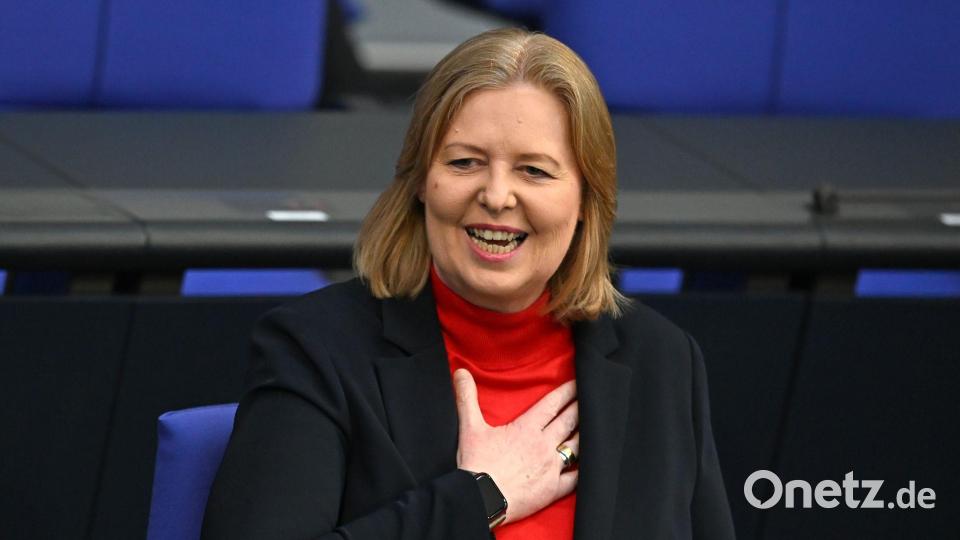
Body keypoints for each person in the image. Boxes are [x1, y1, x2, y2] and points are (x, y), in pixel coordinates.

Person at [202, 28, 735, 540]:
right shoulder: (316, 349)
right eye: (465, 162)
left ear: (585, 201)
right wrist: (480, 497)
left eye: (534, 170)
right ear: (420, 181)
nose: (497, 196)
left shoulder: (663, 360)